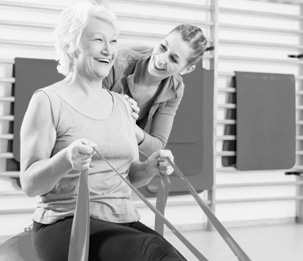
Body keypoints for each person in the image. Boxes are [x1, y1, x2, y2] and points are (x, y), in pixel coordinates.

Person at [19, 2, 186, 261]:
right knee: (156, 253)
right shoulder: (48, 101)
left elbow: (129, 175)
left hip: (122, 219)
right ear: (70, 45)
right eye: (98, 40)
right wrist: (66, 160)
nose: (109, 50)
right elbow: (30, 184)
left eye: (113, 41)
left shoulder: (122, 105)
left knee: (170, 253)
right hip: (66, 223)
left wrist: (150, 168)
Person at [103, 24, 213, 156]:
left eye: (173, 59)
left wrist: (130, 126)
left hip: (116, 149)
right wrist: (118, 105)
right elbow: (87, 115)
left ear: (187, 69)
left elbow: (157, 146)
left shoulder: (175, 89)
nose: (161, 60)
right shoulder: (117, 62)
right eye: (163, 47)